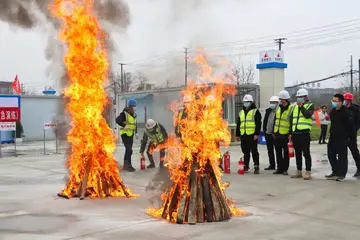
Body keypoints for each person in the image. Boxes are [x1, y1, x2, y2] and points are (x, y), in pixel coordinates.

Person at [326, 94, 352, 182]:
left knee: (342, 156)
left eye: (335, 101)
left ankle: (341, 174)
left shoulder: (346, 112)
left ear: (341, 102)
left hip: (342, 137)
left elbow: (350, 126)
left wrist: (348, 137)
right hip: (333, 136)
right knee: (330, 154)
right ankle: (335, 171)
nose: (333, 102)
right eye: (333, 101)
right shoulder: (333, 111)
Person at [289, 88, 314, 180]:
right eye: (298, 97)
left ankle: (308, 171)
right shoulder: (294, 106)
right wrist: (290, 133)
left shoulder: (310, 105)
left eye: (300, 97)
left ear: (305, 97)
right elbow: (292, 120)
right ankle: (299, 171)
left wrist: (301, 107)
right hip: (295, 133)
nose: (298, 99)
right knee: (298, 153)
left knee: (306, 153)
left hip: (304, 133)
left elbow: (307, 115)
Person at [236, 94, 262, 174]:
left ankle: (256, 166)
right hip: (244, 134)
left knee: (254, 151)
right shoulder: (241, 112)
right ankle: (246, 166)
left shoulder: (255, 111)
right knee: (245, 151)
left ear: (251, 102)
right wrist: (237, 134)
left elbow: (258, 123)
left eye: (247, 102)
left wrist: (256, 134)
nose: (246, 103)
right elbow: (239, 124)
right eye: (244, 102)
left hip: (252, 135)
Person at [273, 90, 293, 175]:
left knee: (286, 152)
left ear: (285, 99)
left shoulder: (291, 108)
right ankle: (279, 168)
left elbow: (292, 121)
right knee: (278, 152)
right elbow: (276, 119)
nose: (280, 100)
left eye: (281, 99)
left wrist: (290, 133)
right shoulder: (278, 107)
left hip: (285, 134)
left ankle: (285, 169)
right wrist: (274, 131)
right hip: (277, 133)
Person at [116, 99, 138, 172]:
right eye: (134, 106)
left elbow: (135, 124)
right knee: (129, 150)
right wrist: (124, 125)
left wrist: (136, 132)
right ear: (130, 106)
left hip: (131, 134)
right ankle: (128, 166)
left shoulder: (134, 114)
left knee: (128, 150)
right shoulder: (124, 114)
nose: (135, 108)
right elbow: (117, 120)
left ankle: (126, 165)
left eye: (135, 106)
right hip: (125, 134)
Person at [343, 92, 360, 177]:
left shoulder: (356, 109)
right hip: (342, 134)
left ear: (350, 100)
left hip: (352, 134)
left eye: (346, 100)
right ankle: (341, 170)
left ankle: (359, 168)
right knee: (341, 152)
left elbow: (358, 122)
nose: (345, 101)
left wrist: (354, 130)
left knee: (354, 151)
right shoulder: (341, 109)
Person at [263, 95, 278, 170]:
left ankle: (279, 166)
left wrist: (275, 132)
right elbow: (265, 122)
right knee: (270, 150)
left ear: (277, 103)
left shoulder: (279, 111)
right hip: (268, 133)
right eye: (270, 102)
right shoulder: (268, 111)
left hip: (275, 134)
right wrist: (265, 131)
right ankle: (272, 165)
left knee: (278, 150)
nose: (271, 104)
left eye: (273, 102)